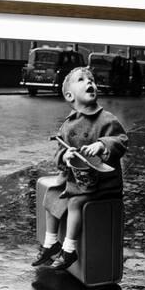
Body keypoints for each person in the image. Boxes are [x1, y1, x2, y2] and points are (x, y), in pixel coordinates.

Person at [31, 67, 128, 270]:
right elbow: (59, 152)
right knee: (51, 196)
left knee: (75, 203)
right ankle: (50, 243)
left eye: (91, 79)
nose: (89, 82)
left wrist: (102, 144)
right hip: (79, 181)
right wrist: (64, 157)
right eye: (82, 80)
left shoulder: (106, 119)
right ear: (69, 95)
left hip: (103, 184)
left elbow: (121, 141)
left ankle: (69, 249)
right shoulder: (68, 125)